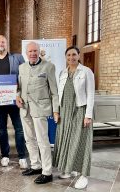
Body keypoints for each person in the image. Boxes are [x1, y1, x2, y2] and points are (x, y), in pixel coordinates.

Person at [16, 41, 59, 184]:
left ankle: (47, 172)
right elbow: (19, 87)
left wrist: (55, 110)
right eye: (30, 51)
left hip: (40, 109)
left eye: (35, 51)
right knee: (29, 139)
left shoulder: (49, 67)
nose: (33, 54)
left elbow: (54, 92)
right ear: (26, 53)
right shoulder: (21, 67)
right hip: (24, 109)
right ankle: (35, 165)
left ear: (39, 52)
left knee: (42, 140)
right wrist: (17, 97)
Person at [0, 35, 28, 169]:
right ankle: (5, 155)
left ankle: (22, 156)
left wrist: (20, 94)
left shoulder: (17, 58)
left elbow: (25, 77)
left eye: (3, 41)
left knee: (19, 129)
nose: (0, 44)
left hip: (15, 100)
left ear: (6, 44)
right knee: (1, 130)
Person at [53, 46, 95, 189]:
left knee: (81, 142)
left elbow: (90, 94)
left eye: (74, 54)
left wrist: (88, 115)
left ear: (78, 55)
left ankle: (83, 175)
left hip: (80, 110)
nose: (71, 57)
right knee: (67, 140)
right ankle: (68, 169)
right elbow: (59, 94)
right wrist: (57, 111)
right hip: (65, 111)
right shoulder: (62, 73)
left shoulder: (86, 71)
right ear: (66, 57)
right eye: (68, 55)